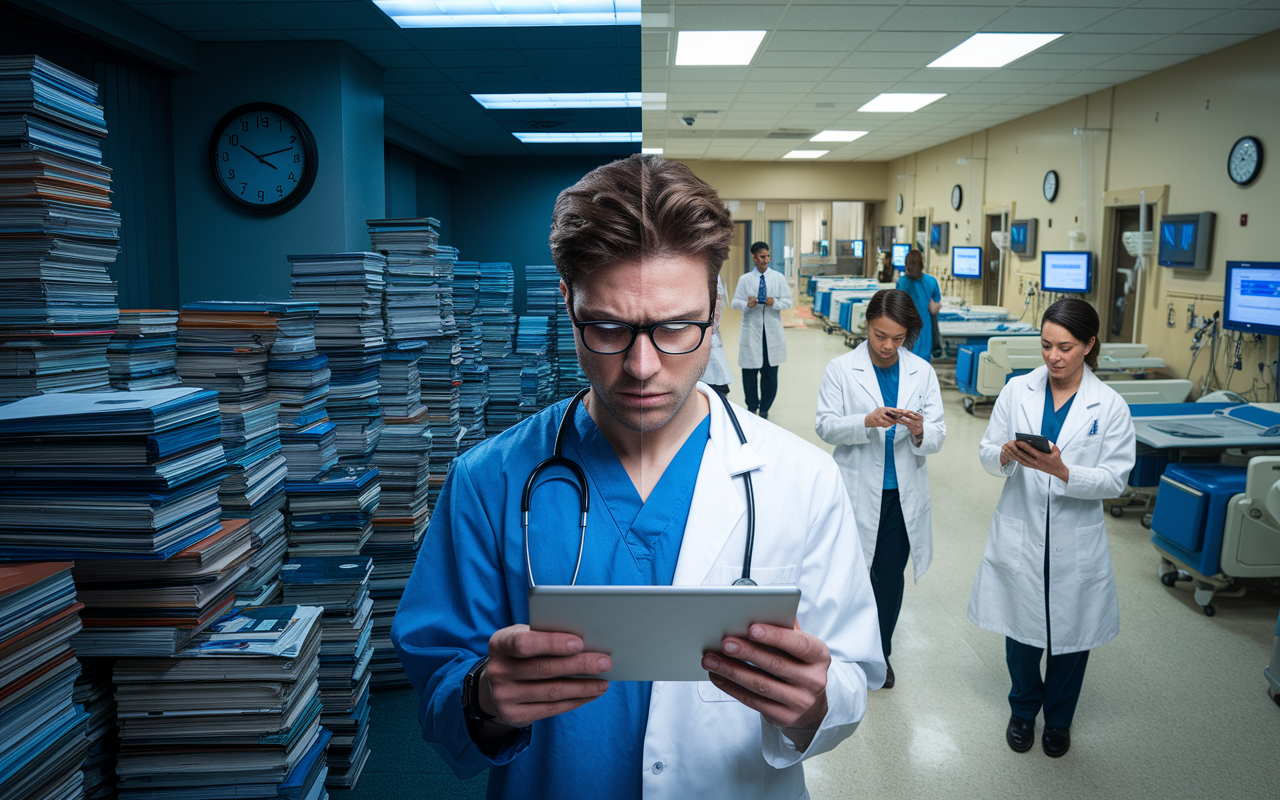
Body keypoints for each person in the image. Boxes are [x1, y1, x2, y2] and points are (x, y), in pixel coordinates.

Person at [392, 154, 885, 800]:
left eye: (677, 326)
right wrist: (483, 696)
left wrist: (812, 703)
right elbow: (437, 694)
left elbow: (848, 678)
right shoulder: (489, 482)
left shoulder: (803, 480)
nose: (643, 366)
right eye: (609, 327)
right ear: (568, 303)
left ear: (715, 306)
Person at [968, 298, 1135, 758]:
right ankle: (1023, 710)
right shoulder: (1017, 390)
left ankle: (1059, 721)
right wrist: (1002, 455)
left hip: (1074, 536)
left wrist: (1064, 472)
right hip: (1020, 528)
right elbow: (986, 448)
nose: (1053, 357)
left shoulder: (1110, 406)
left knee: (1070, 638)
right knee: (1020, 635)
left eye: (1065, 347)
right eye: (1045, 346)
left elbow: (1116, 479)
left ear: (1089, 345)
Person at [814, 289, 946, 689]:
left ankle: (880, 654)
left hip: (902, 496)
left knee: (889, 578)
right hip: (856, 489)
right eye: (879, 335)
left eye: (897, 338)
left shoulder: (921, 371)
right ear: (866, 326)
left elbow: (939, 432)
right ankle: (845, 652)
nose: (888, 346)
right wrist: (866, 421)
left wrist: (921, 429)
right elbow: (825, 425)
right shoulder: (841, 368)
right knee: (853, 575)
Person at [731, 242, 792, 419]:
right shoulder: (745, 280)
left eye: (768, 256)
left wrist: (775, 303)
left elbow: (788, 301)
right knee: (749, 373)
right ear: (754, 257)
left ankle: (764, 409)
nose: (766, 260)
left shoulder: (778, 278)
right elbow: (735, 302)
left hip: (771, 332)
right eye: (762, 257)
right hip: (751, 331)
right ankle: (751, 407)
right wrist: (746, 304)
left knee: (770, 373)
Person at [895, 249, 940, 362]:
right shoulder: (930, 282)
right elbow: (936, 306)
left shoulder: (903, 282)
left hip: (917, 332)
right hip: (917, 332)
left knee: (913, 365)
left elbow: (936, 306)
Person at [700, 274, 733, 396]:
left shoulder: (714, 274)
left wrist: (711, 326)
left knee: (718, 381)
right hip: (700, 334)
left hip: (710, 336)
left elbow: (718, 303)